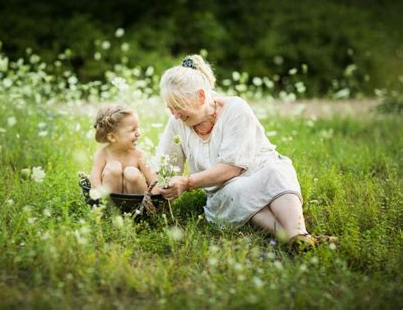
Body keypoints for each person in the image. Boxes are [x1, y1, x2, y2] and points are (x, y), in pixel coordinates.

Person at [156, 54, 324, 248]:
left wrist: (187, 182)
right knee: (237, 190)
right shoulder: (177, 123)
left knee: (276, 172)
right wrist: (154, 188)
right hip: (227, 191)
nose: (175, 115)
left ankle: (299, 234)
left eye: (178, 107)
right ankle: (297, 240)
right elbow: (165, 165)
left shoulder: (235, 108)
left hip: (261, 171)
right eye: (170, 109)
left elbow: (231, 168)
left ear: (201, 96)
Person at [90, 104, 157, 194]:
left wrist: (158, 201)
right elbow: (95, 181)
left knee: (131, 172)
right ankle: (109, 205)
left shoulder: (139, 155)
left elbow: (154, 182)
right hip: (111, 201)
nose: (138, 133)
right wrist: (98, 195)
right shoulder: (102, 155)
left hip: (138, 203)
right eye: (132, 130)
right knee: (113, 168)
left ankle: (142, 206)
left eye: (138, 128)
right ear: (112, 137)